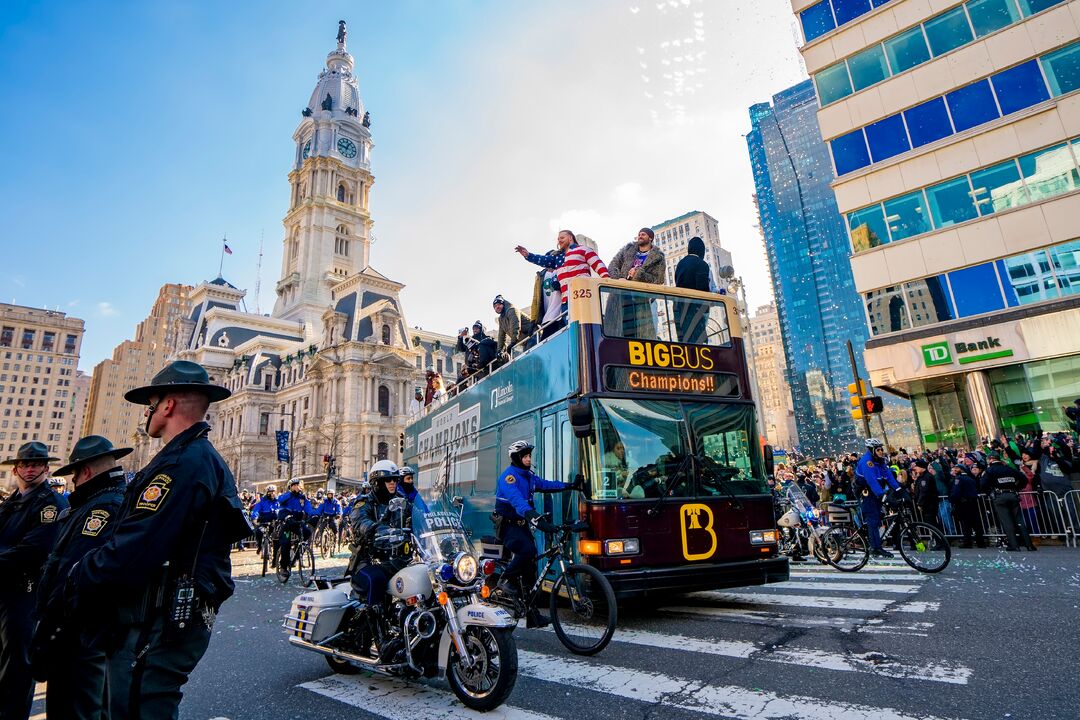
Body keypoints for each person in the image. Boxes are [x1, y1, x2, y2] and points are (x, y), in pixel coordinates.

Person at [67, 360, 250, 720]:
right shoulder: (191, 457)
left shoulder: (182, 463)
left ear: (167, 406)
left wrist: (78, 574)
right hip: (161, 613)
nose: (147, 414)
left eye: (150, 405)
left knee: (137, 705)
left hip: (160, 617)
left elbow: (135, 548)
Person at [32, 435, 130, 720]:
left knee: (76, 708)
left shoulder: (102, 507)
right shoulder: (98, 501)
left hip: (80, 633)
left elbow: (74, 572)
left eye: (74, 473)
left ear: (85, 471)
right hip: (83, 631)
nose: (73, 480)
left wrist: (52, 625)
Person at [0, 441, 67, 720]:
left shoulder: (50, 503)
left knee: (17, 666)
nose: (30, 469)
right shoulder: (12, 502)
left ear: (46, 468)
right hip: (4, 591)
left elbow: (35, 550)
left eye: (36, 464)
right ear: (16, 469)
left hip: (26, 592)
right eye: (25, 465)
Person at [492, 440, 580, 628]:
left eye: (529, 455)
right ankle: (506, 580)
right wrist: (535, 517)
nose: (528, 459)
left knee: (531, 569)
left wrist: (571, 485)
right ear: (516, 458)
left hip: (522, 524)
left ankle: (532, 615)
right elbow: (517, 502)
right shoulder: (509, 477)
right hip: (508, 525)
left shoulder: (530, 477)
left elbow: (547, 485)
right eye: (525, 456)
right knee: (527, 550)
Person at [350, 460, 412, 613]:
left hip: (398, 560)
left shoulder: (401, 502)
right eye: (387, 480)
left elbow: (417, 517)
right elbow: (360, 522)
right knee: (376, 579)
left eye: (395, 479)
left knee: (422, 577)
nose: (392, 483)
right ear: (376, 482)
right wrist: (377, 529)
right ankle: (375, 625)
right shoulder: (365, 502)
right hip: (368, 560)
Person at [515, 230, 609, 316]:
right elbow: (543, 259)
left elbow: (597, 264)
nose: (559, 241)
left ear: (570, 238)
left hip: (584, 295)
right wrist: (528, 255)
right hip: (566, 301)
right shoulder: (558, 258)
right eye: (558, 239)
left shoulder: (583, 249)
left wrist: (606, 279)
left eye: (562, 238)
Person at [854, 438, 901, 559]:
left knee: (878, 518)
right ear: (872, 450)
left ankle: (873, 540)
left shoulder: (880, 461)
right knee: (873, 519)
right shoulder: (867, 461)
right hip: (866, 492)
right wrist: (882, 495)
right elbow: (871, 481)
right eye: (878, 449)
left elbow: (889, 476)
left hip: (876, 491)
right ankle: (876, 548)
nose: (881, 451)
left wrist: (899, 490)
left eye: (881, 449)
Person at [983, 451, 1036, 551]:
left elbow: (983, 484)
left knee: (1007, 521)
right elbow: (1023, 479)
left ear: (990, 459)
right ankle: (1029, 545)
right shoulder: (1009, 468)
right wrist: (1016, 488)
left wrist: (990, 492)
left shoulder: (990, 470)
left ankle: (1014, 545)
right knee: (1019, 520)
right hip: (1012, 495)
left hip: (1000, 496)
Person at [276, 479, 315, 579]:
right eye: (296, 485)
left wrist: (314, 515)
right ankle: (283, 567)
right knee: (285, 543)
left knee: (307, 532)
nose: (299, 487)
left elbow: (308, 508)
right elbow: (279, 500)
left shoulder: (303, 498)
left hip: (297, 522)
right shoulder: (286, 496)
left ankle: (297, 554)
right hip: (286, 522)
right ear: (291, 486)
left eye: (299, 485)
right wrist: (291, 493)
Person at [528, 250, 566, 340]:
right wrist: (533, 319)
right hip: (547, 316)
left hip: (561, 314)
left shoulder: (562, 269)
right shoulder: (541, 276)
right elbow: (535, 299)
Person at [949, 462, 986, 548]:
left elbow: (956, 492)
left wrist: (952, 500)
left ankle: (967, 542)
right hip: (973, 502)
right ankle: (980, 542)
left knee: (965, 523)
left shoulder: (959, 479)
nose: (954, 470)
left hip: (963, 503)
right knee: (976, 523)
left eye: (956, 468)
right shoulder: (970, 479)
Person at [249, 486, 279, 559]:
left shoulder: (278, 501)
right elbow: (256, 510)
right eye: (270, 492)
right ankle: (259, 546)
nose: (272, 494)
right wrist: (255, 517)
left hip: (274, 521)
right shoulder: (262, 501)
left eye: (273, 492)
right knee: (258, 532)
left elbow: (281, 509)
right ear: (267, 492)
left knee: (277, 535)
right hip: (263, 521)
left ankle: (275, 556)